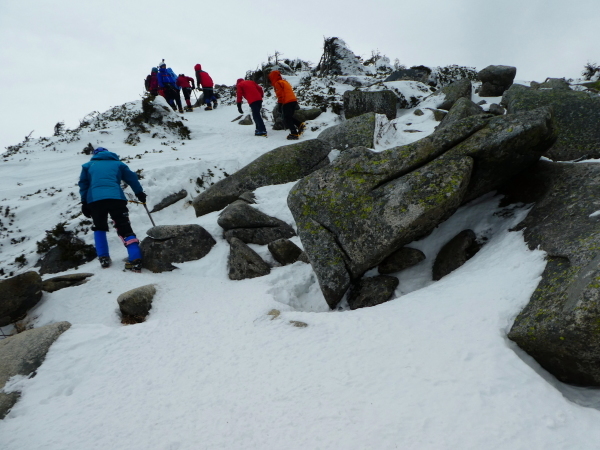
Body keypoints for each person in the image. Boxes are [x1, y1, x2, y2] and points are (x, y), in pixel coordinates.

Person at [79, 147, 147, 272]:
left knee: (99, 227)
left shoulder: (88, 166)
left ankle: (103, 257)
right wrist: (140, 193)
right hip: (116, 198)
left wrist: (84, 202)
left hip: (95, 200)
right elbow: (132, 179)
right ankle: (135, 258)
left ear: (95, 155)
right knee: (124, 226)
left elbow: (83, 185)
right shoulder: (118, 164)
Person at [268, 70, 305, 140]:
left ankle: (294, 133)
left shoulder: (277, 83)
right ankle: (299, 124)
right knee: (289, 117)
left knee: (286, 118)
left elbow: (280, 95)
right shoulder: (284, 82)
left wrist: (280, 104)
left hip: (287, 102)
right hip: (293, 101)